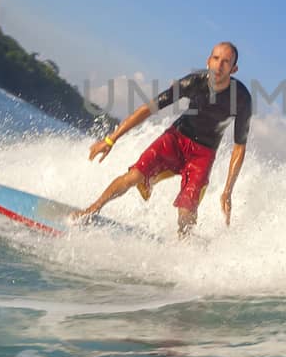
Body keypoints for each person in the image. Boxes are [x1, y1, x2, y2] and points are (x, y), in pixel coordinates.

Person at [70, 42, 252, 236]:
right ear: (208, 61)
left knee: (187, 210)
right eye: (216, 59)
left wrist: (228, 191)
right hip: (177, 138)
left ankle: (183, 247)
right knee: (134, 176)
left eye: (226, 62)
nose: (219, 65)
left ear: (234, 69)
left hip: (203, 154)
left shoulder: (241, 99)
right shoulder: (193, 82)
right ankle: (90, 211)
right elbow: (149, 108)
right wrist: (110, 140)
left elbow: (239, 146)